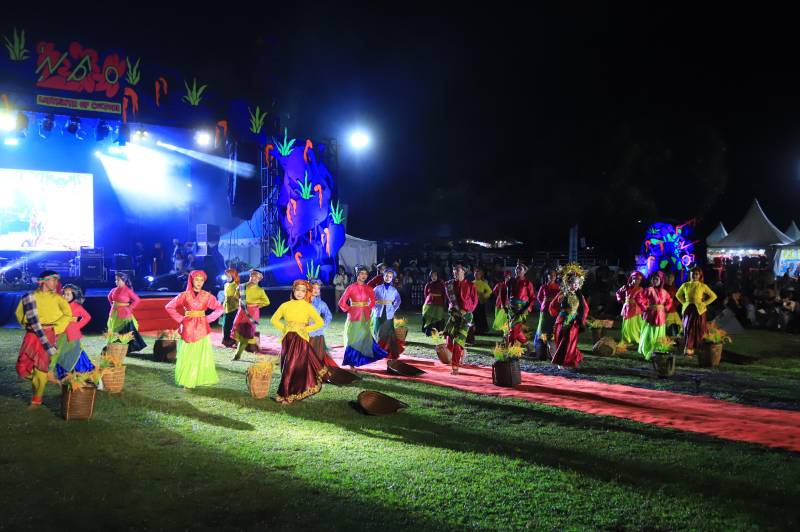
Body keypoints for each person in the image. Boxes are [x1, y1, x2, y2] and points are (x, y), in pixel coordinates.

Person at [15, 271, 73, 409]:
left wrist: (55, 328)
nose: (56, 283)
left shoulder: (58, 298)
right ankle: (44, 376)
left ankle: (37, 399)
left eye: (56, 280)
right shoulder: (29, 297)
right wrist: (29, 326)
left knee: (41, 368)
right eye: (53, 280)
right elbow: (19, 313)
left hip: (48, 335)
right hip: (32, 335)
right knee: (21, 368)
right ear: (43, 281)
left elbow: (67, 314)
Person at [165, 270, 225, 389]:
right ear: (192, 280)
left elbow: (220, 308)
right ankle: (187, 380)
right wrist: (181, 319)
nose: (199, 282)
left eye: (201, 280)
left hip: (202, 328)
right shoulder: (185, 295)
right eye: (196, 279)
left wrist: (208, 319)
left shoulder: (207, 295)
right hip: (188, 327)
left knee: (200, 353)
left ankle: (198, 379)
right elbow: (169, 306)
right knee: (188, 354)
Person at [271, 280, 327, 403]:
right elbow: (273, 320)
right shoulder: (285, 305)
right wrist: (285, 328)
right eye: (297, 290)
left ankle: (287, 395)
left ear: (306, 293)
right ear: (293, 290)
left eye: (303, 291)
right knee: (286, 366)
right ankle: (290, 392)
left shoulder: (308, 306)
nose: (300, 293)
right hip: (287, 339)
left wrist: (306, 329)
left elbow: (320, 322)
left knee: (293, 366)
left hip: (301, 339)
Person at [340, 265, 386, 367]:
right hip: (354, 316)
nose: (364, 275)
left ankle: (360, 359)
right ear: (357, 274)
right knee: (353, 338)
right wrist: (350, 309)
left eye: (365, 274)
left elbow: (373, 301)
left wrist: (368, 308)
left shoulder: (369, 288)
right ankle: (351, 361)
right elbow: (342, 302)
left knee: (364, 337)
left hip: (365, 316)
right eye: (361, 273)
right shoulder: (350, 288)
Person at [549, 263, 589, 369]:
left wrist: (581, 319)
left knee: (569, 341)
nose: (575, 285)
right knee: (560, 340)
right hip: (562, 320)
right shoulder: (563, 294)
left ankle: (569, 360)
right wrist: (559, 306)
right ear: (568, 283)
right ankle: (562, 360)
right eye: (573, 283)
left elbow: (585, 309)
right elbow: (553, 305)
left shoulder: (580, 296)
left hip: (573, 322)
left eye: (577, 284)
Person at [492, 261, 537, 350]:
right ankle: (528, 345)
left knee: (513, 328)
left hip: (521, 309)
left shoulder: (528, 283)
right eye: (517, 268)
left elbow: (532, 298)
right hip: (511, 309)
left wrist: (526, 308)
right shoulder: (510, 281)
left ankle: (510, 349)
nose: (518, 270)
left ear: (525, 271)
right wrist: (504, 306)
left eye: (520, 268)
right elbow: (504, 294)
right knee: (514, 328)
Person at [443, 264, 478, 374]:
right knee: (448, 342)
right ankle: (461, 352)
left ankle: (455, 368)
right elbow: (449, 301)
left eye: (458, 270)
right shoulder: (449, 285)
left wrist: (467, 310)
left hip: (466, 317)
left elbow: (475, 301)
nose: (455, 272)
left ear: (463, 271)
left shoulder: (471, 285)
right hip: (454, 316)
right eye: (454, 270)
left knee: (457, 343)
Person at [56, 284, 95, 381]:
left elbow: (87, 317)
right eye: (64, 294)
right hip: (61, 334)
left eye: (68, 294)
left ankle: (81, 372)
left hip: (72, 334)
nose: (65, 296)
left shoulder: (77, 307)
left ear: (74, 295)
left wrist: (77, 326)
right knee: (62, 353)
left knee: (75, 352)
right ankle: (65, 374)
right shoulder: (61, 306)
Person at [675, 267, 717, 356]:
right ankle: (689, 348)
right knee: (688, 328)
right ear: (690, 274)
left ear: (700, 275)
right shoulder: (685, 285)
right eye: (693, 273)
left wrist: (704, 303)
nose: (694, 275)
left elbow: (713, 296)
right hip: (688, 310)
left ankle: (700, 348)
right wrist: (684, 303)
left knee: (700, 329)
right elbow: (678, 295)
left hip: (700, 311)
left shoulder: (702, 286)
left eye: (697, 274)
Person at [232, 269, 270, 361]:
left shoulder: (260, 290)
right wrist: (240, 302)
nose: (255, 279)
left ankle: (238, 354)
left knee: (246, 334)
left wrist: (256, 306)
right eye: (254, 276)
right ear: (250, 276)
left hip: (252, 313)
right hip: (241, 312)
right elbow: (236, 297)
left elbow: (266, 302)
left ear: (259, 279)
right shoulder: (241, 286)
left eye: (258, 278)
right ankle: (251, 341)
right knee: (238, 332)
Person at [636, 271, 673, 361]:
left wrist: (665, 307)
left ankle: (658, 351)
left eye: (657, 279)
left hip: (661, 315)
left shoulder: (664, 292)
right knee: (650, 334)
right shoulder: (649, 290)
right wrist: (646, 307)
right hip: (651, 315)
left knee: (659, 334)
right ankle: (648, 350)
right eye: (653, 279)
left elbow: (670, 301)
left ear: (661, 280)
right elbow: (639, 297)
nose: (655, 281)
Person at [107, 271, 146, 353]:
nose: (116, 281)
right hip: (114, 313)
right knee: (114, 330)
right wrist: (113, 304)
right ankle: (116, 346)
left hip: (124, 314)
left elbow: (137, 300)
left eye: (118, 280)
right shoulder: (114, 290)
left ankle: (128, 347)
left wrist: (129, 307)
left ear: (123, 280)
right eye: (116, 280)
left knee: (126, 331)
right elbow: (109, 297)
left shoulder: (128, 290)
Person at [372, 268, 405, 360]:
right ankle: (378, 351)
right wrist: (374, 307)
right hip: (379, 312)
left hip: (389, 313)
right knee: (378, 331)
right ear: (383, 276)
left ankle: (387, 351)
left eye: (390, 277)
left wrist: (393, 308)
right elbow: (371, 299)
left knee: (388, 332)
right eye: (386, 276)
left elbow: (398, 300)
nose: (388, 278)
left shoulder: (394, 290)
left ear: (392, 278)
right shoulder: (377, 288)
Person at [308, 279, 338, 367]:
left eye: (318, 288)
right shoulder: (303, 302)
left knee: (317, 355)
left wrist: (322, 326)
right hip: (304, 332)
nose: (316, 290)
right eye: (314, 288)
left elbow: (328, 316)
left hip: (316, 333)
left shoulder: (321, 303)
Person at [534, 268, 561, 358]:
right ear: (547, 276)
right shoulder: (543, 287)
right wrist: (544, 303)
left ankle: (552, 352)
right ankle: (542, 350)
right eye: (550, 275)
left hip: (555, 311)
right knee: (543, 329)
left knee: (552, 330)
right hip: (545, 311)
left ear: (556, 277)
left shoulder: (559, 287)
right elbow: (539, 297)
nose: (552, 277)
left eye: (554, 275)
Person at [616, 272, 645, 344]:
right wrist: (621, 299)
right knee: (626, 324)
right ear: (632, 278)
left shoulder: (640, 289)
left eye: (639, 280)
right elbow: (618, 293)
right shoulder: (625, 287)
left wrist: (643, 308)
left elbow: (643, 299)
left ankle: (636, 338)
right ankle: (627, 339)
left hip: (636, 309)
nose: (637, 281)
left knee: (635, 324)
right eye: (636, 279)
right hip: (627, 308)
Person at [421, 270, 447, 336]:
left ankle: (438, 332)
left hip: (439, 303)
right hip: (429, 303)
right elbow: (425, 294)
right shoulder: (428, 284)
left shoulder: (441, 284)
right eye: (432, 276)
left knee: (438, 317)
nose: (434, 277)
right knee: (427, 316)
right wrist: (429, 299)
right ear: (430, 277)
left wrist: (443, 302)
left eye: (435, 275)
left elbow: (444, 294)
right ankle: (427, 331)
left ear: (437, 276)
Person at [220, 269, 240, 348]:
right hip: (226, 307)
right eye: (226, 275)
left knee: (233, 324)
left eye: (228, 275)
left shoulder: (236, 285)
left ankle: (234, 340)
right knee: (225, 324)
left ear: (233, 276)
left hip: (234, 306)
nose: (227, 277)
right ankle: (226, 340)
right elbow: (225, 296)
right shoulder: (225, 285)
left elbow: (238, 296)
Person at [472, 267, 493, 335]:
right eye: (475, 274)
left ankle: (482, 329)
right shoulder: (472, 283)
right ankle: (475, 329)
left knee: (481, 316)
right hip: (473, 303)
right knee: (475, 316)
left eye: (478, 274)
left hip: (480, 302)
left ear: (481, 275)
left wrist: (484, 295)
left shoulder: (483, 283)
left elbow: (490, 291)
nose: (476, 275)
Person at [663, 271, 682, 337]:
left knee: (676, 327)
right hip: (665, 311)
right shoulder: (662, 288)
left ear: (673, 279)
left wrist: (675, 304)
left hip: (673, 310)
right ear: (665, 278)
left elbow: (678, 298)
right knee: (667, 328)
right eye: (668, 277)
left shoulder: (675, 288)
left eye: (671, 277)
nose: (670, 279)